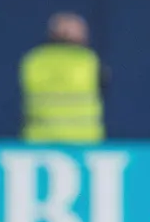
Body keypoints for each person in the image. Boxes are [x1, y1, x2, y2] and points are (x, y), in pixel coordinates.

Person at [20, 12, 107, 143]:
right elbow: (104, 87)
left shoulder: (33, 59)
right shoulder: (89, 61)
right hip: (84, 140)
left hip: (39, 139)